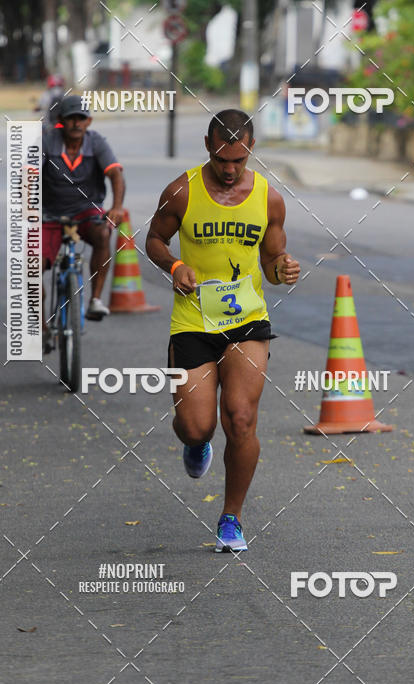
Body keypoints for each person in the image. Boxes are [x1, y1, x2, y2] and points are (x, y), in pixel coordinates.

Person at [145, 109, 300, 553]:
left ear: (251, 149)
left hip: (246, 322)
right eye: (221, 159)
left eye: (238, 160)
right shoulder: (181, 191)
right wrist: (175, 265)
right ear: (207, 147)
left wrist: (282, 269)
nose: (230, 170)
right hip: (193, 322)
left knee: (241, 418)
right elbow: (154, 239)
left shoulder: (269, 198)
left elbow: (272, 261)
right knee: (196, 427)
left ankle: (231, 518)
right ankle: (196, 445)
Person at [42, 94, 125, 344]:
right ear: (61, 120)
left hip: (87, 211)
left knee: (103, 233)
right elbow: (27, 174)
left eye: (81, 118)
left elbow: (116, 174)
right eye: (71, 118)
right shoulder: (47, 142)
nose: (76, 123)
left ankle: (95, 300)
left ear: (88, 121)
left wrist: (117, 207)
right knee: (31, 266)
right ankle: (41, 326)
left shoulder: (96, 142)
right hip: (51, 214)